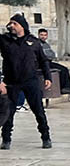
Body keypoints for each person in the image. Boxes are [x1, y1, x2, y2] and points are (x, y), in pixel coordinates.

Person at [0, 14, 52, 149]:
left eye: (14, 23)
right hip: (11, 82)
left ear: (22, 26)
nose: (11, 26)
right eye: (10, 23)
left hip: (30, 81)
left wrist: (48, 77)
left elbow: (43, 60)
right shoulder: (5, 41)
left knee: (38, 110)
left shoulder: (33, 42)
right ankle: (6, 140)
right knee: (8, 112)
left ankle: (46, 137)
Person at [36, 29, 70, 94]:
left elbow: (52, 55)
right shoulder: (37, 44)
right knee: (62, 70)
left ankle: (66, 88)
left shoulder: (46, 44)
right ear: (38, 35)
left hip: (48, 62)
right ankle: (64, 88)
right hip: (41, 63)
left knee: (64, 69)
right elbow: (43, 56)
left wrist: (49, 56)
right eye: (41, 35)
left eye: (45, 35)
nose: (43, 37)